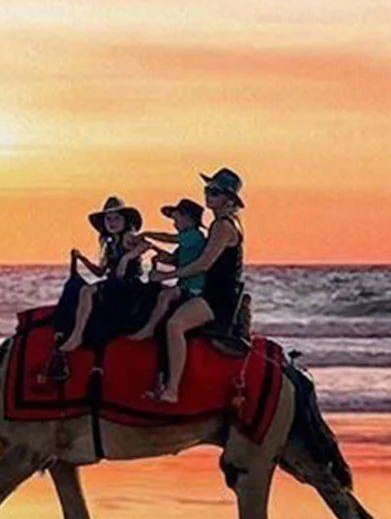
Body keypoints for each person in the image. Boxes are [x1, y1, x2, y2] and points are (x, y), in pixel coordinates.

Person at [147, 168, 248, 405]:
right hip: (213, 292)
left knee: (175, 324)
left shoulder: (223, 226)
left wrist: (166, 276)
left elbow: (203, 264)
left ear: (228, 199)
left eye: (215, 191)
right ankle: (159, 380)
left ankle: (172, 389)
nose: (208, 195)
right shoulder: (219, 224)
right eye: (207, 190)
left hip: (218, 297)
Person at [46, 197, 155, 382]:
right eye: (108, 219)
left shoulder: (128, 237)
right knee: (77, 290)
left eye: (116, 219)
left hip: (128, 285)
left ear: (125, 221)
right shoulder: (109, 244)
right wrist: (82, 259)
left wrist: (126, 258)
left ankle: (77, 335)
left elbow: (147, 245)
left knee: (87, 292)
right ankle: (69, 335)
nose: (112, 223)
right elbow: (100, 272)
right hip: (112, 283)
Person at [130, 197, 208, 345]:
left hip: (194, 288)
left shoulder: (195, 236)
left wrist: (147, 234)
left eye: (177, 220)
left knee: (166, 295)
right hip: (183, 285)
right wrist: (153, 248)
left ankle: (150, 328)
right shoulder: (186, 242)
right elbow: (173, 259)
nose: (174, 224)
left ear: (188, 219)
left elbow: (170, 238)